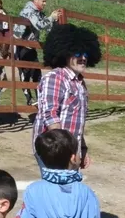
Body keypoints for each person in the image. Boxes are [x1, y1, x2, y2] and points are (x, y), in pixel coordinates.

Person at [32, 23, 101, 171]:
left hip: (70, 152)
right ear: (65, 53)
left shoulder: (80, 83)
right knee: (56, 187)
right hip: (52, 151)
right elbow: (50, 115)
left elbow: (77, 123)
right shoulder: (55, 78)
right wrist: (64, 151)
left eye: (86, 54)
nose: (83, 58)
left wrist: (82, 149)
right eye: (78, 53)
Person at [13, 0, 60, 106]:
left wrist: (55, 20)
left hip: (31, 46)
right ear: (36, 0)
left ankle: (40, 98)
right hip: (21, 46)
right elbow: (39, 25)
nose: (45, 3)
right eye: (43, 1)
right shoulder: (29, 11)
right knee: (25, 74)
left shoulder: (39, 13)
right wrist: (51, 18)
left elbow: (47, 27)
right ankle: (29, 98)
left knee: (37, 73)